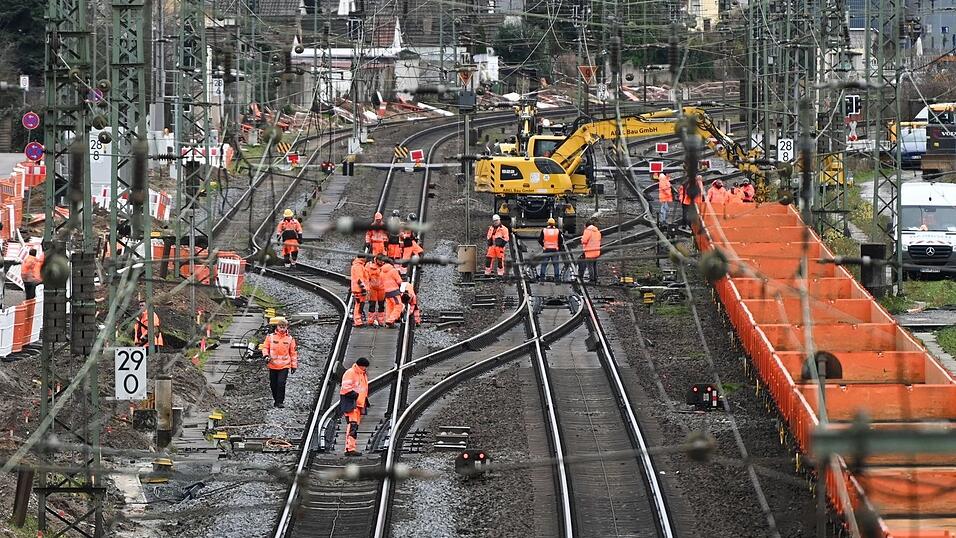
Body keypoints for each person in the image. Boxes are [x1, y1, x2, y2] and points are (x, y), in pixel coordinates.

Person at [262, 317, 297, 408]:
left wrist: (294, 366)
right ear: (277, 326)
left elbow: (293, 353)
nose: (282, 328)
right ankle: (276, 400)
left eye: (284, 326)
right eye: (280, 326)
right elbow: (265, 347)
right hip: (272, 365)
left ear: (286, 327)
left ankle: (280, 401)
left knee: (281, 383)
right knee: (273, 384)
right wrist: (266, 356)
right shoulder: (270, 337)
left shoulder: (290, 339)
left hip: (284, 365)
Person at [339, 357, 370, 456]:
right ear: (360, 365)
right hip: (352, 404)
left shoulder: (362, 374)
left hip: (358, 404)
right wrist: (357, 396)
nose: (365, 369)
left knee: (354, 426)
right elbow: (345, 388)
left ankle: (350, 448)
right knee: (352, 426)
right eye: (364, 367)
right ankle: (349, 449)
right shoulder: (351, 373)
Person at [381, 257, 404, 327]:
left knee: (389, 307)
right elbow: (399, 281)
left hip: (386, 292)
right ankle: (391, 320)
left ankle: (388, 321)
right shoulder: (393, 271)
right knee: (398, 305)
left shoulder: (381, 271)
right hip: (394, 292)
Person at [579, 217, 601, 283]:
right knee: (595, 265)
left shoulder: (587, 231)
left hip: (589, 252)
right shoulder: (597, 231)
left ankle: (592, 279)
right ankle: (596, 278)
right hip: (596, 251)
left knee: (590, 266)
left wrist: (582, 238)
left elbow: (584, 241)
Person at [364, 256, 385, 326]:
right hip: (373, 289)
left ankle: (381, 321)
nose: (382, 262)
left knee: (381, 305)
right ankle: (371, 320)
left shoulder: (385, 267)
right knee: (372, 304)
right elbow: (366, 277)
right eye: (380, 261)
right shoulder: (369, 266)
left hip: (382, 289)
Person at [350, 255, 368, 326]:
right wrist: (363, 288)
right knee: (359, 305)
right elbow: (359, 279)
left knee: (360, 304)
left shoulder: (358, 265)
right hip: (359, 289)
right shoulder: (358, 267)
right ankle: (357, 321)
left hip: (358, 289)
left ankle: (358, 320)